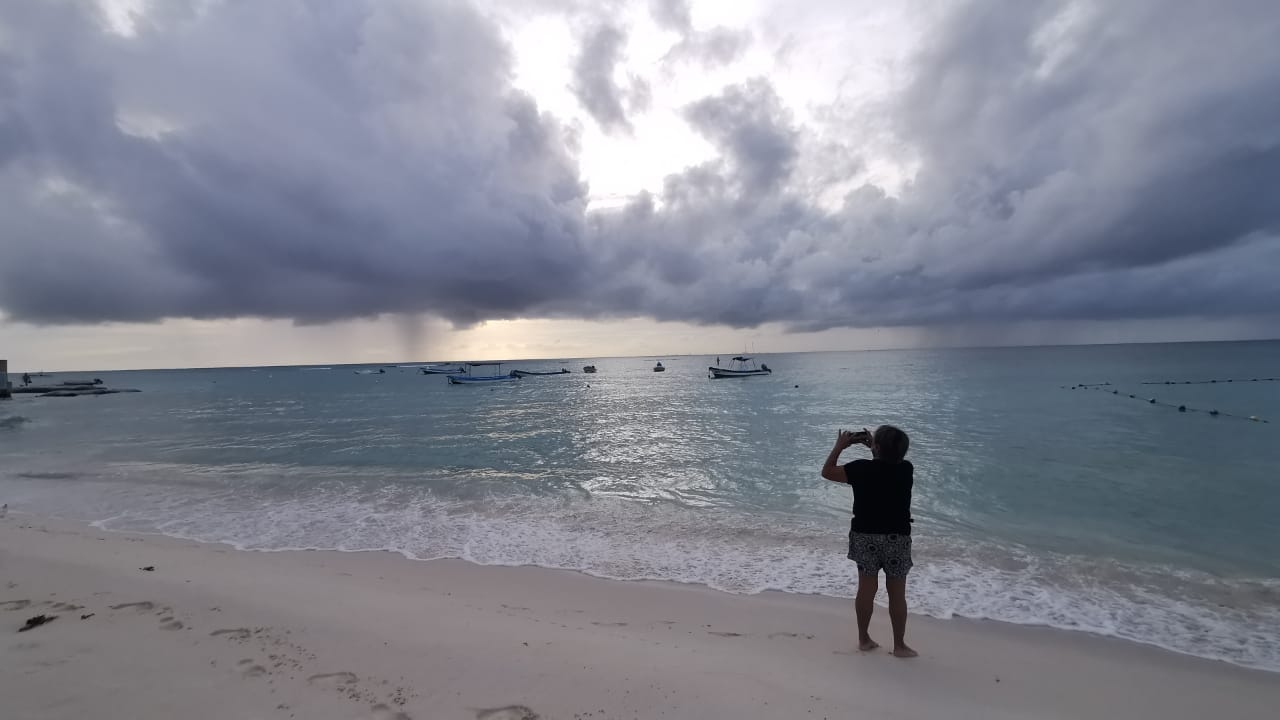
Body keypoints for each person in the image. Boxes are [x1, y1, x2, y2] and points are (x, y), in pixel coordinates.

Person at [821, 425, 917, 658]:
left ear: (875, 448)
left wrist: (840, 446)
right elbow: (886, 465)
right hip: (897, 538)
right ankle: (900, 646)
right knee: (897, 594)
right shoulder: (906, 469)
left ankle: (864, 639)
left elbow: (827, 471)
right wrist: (876, 448)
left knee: (866, 588)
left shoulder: (860, 469)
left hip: (865, 536)